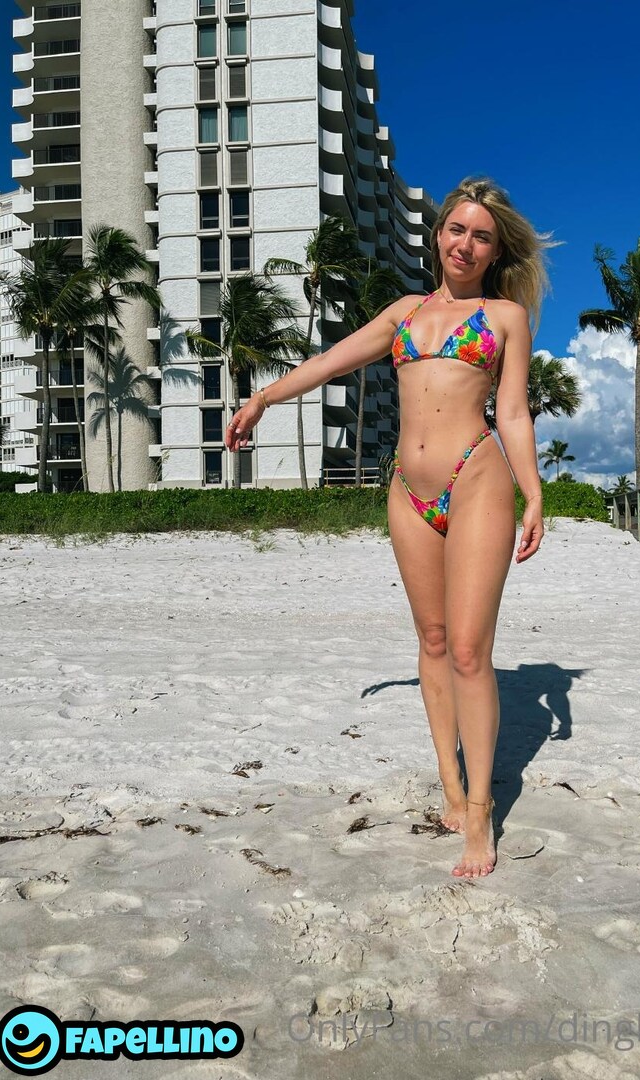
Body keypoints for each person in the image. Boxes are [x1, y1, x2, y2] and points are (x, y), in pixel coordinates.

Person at [226, 177, 548, 879]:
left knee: (469, 651)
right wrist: (262, 399)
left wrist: (533, 494)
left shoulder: (505, 317)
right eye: (456, 229)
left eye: (481, 236)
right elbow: (327, 361)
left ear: (496, 251)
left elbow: (513, 412)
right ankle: (452, 790)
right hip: (408, 490)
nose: (465, 244)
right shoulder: (404, 312)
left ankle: (482, 813)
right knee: (432, 641)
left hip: (477, 479)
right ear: (438, 235)